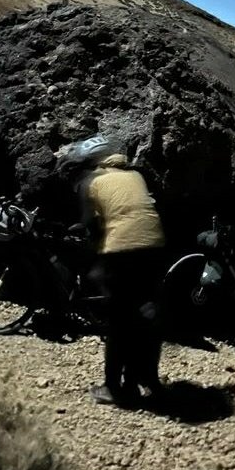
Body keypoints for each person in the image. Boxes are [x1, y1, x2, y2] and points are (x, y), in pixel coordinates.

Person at [56, 135, 166, 407]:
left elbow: (89, 225)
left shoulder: (90, 183)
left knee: (119, 321)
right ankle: (146, 378)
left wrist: (92, 252)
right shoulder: (135, 176)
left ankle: (114, 388)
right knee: (145, 313)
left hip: (122, 251)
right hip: (154, 247)